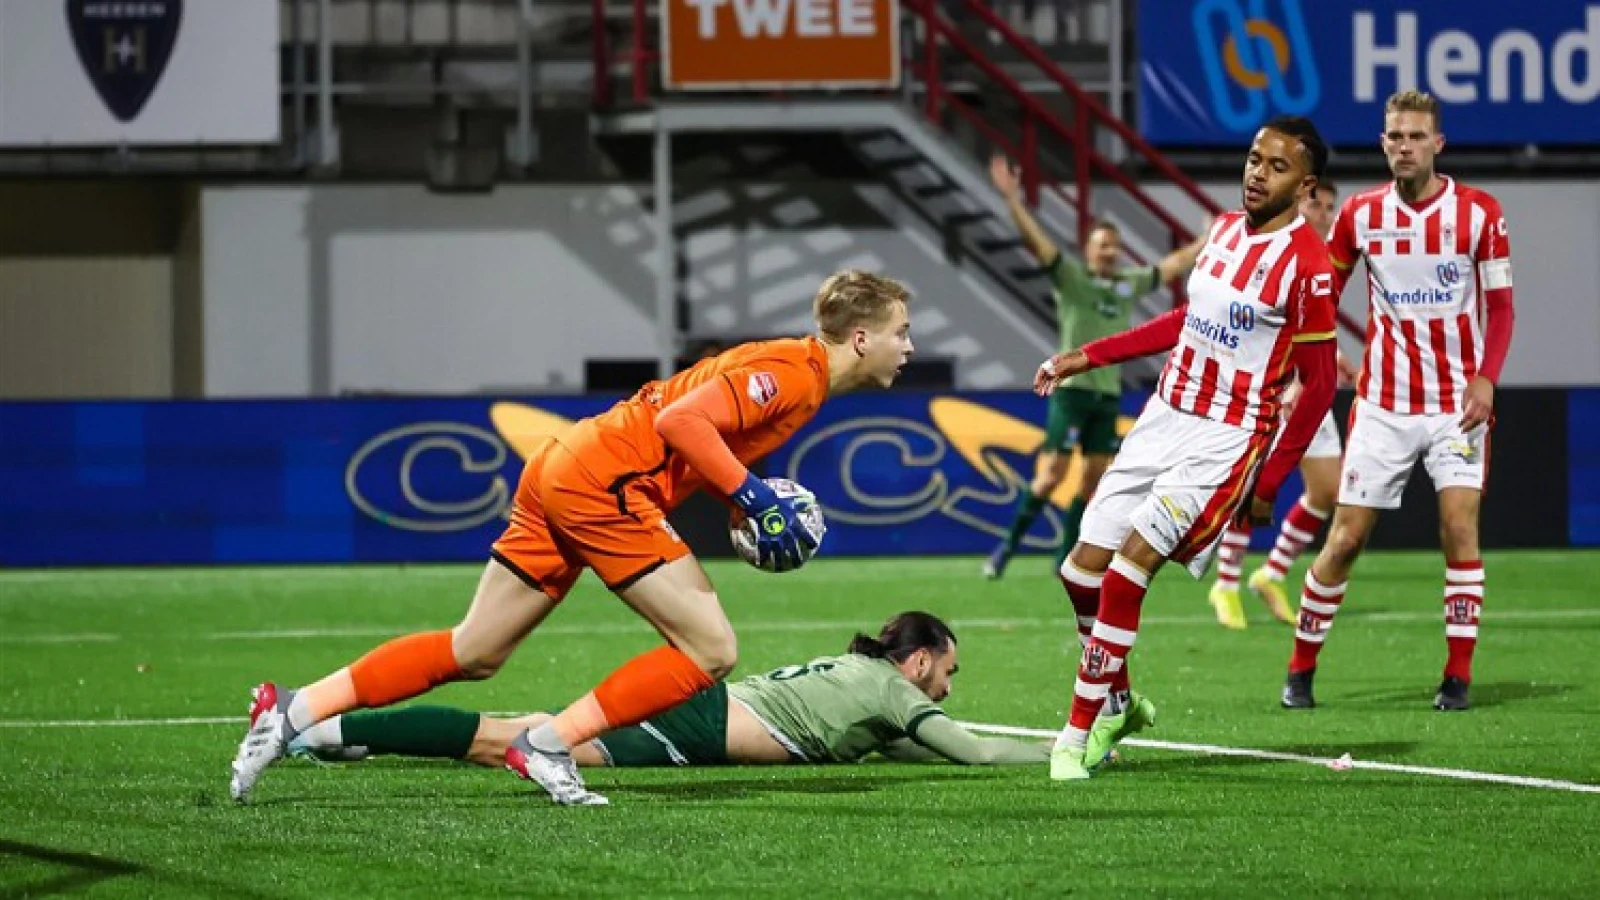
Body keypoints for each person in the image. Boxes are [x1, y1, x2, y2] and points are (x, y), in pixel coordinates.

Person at [229, 270, 916, 806]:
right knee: (711, 650)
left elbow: (690, 431)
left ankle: (297, 709)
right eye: (901, 332)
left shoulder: (801, 373)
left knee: (476, 649)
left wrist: (737, 498)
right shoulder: (796, 374)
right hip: (608, 480)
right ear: (862, 338)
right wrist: (751, 495)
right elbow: (682, 422)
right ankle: (548, 744)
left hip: (571, 464)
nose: (909, 347)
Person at [1035, 116, 1340, 781]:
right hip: (1163, 416)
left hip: (1225, 439)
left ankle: (1076, 735)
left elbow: (1317, 387)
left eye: (1277, 165)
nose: (1258, 172)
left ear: (1306, 184)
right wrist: (1084, 356)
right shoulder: (1225, 231)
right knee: (1079, 570)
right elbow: (1186, 320)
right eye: (1255, 158)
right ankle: (1116, 699)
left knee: (1127, 570)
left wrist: (1268, 484)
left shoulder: (1310, 266)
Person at [1281, 91, 1515, 713]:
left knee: (1459, 527)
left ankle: (1457, 677)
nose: (1403, 146)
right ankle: (1300, 668)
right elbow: (1322, 295)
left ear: (1439, 143)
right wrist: (1301, 364)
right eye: (1394, 137)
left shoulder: (1479, 214)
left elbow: (1503, 308)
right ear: (1383, 143)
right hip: (1383, 405)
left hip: (1456, 407)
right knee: (1346, 539)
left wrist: (1486, 378)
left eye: (1415, 136)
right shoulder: (1360, 215)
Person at [287, 612, 1048, 770]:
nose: (948, 688)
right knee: (510, 740)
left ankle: (337, 733)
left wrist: (1062, 740)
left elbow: (913, 754)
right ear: (918, 663)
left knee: (517, 735)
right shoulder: (894, 693)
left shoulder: (871, 684)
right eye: (950, 671)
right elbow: (972, 753)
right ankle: (322, 728)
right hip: (693, 726)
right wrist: (1071, 758)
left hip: (701, 716)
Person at [983, 155, 1208, 579]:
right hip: (1072, 394)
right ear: (1087, 249)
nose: (1109, 251)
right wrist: (1013, 200)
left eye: (1113, 245)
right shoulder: (1072, 279)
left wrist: (1206, 240)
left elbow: (1172, 266)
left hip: (1107, 397)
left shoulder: (1128, 284)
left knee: (1091, 484)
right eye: (1102, 244)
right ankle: (1005, 550)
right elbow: (1039, 244)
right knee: (1051, 475)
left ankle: (1063, 559)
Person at [1206, 181, 1362, 628]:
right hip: (1271, 384)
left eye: (1331, 207)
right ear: (1298, 201)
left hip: (1308, 385)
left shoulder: (1325, 258)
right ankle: (1226, 584)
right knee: (1252, 485)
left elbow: (1309, 326)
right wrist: (1292, 378)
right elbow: (1263, 322)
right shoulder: (1280, 247)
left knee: (1328, 490)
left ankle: (1271, 573)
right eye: (1318, 203)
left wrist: (1331, 358)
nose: (1326, 213)